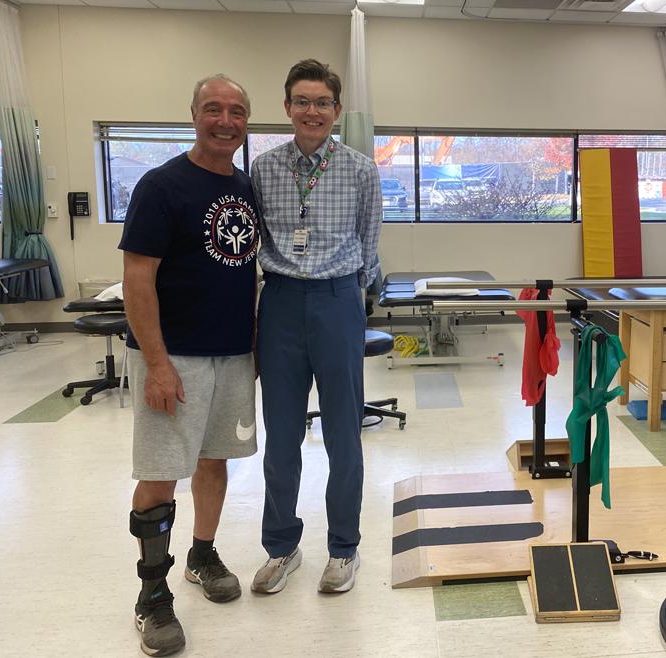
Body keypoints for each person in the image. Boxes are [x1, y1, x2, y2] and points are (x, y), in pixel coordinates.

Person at [120, 74, 259, 656]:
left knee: (215, 462)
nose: (225, 120)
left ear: (246, 121)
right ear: (194, 115)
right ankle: (152, 596)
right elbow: (137, 279)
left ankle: (202, 555)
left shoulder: (246, 188)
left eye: (236, 111)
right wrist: (156, 364)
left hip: (232, 354)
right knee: (160, 473)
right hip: (174, 356)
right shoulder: (161, 186)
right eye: (213, 109)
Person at [250, 59, 382, 596]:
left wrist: (350, 297)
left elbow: (370, 244)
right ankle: (282, 548)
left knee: (344, 436)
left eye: (322, 102)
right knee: (280, 437)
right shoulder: (262, 169)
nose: (312, 111)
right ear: (287, 108)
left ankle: (343, 549)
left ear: (337, 110)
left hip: (336, 301)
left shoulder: (359, 169)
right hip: (279, 303)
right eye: (301, 101)